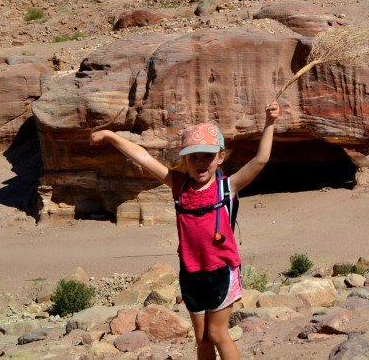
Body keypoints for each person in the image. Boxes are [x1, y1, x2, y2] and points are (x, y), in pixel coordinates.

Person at [91, 102, 280, 360]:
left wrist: (270, 123)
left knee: (218, 334)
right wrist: (112, 136)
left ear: (220, 157)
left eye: (207, 156)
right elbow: (144, 158)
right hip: (191, 273)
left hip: (221, 271)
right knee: (202, 339)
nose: (201, 162)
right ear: (185, 160)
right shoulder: (178, 185)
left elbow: (260, 160)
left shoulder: (227, 187)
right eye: (194, 156)